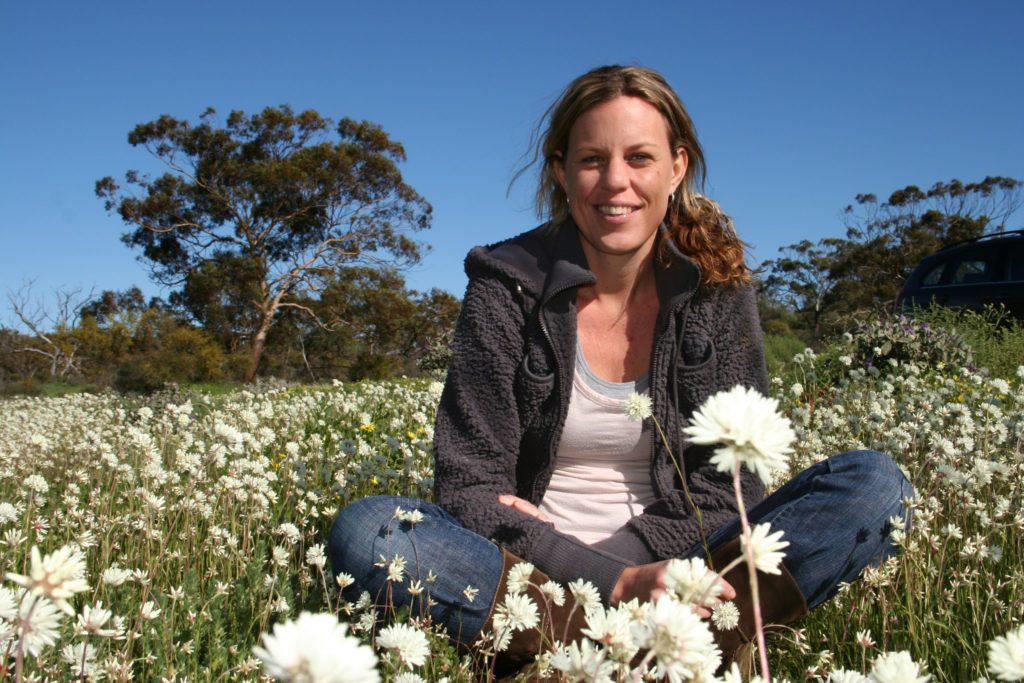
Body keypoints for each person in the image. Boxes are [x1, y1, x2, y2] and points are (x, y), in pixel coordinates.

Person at [329, 65, 912, 672]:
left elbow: (729, 489)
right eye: (591, 160)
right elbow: (469, 486)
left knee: (877, 487)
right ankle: (662, 650)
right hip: (535, 573)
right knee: (369, 530)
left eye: (639, 158)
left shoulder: (717, 288)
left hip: (688, 562)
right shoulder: (505, 287)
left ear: (676, 167)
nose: (616, 183)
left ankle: (573, 653)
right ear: (560, 169)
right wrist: (609, 578)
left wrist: (649, 575)